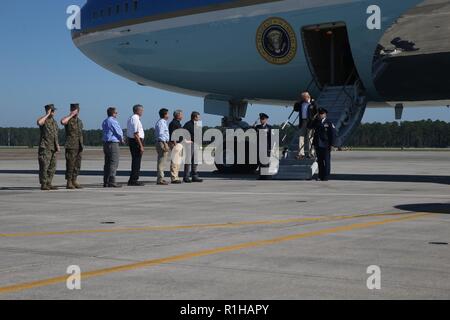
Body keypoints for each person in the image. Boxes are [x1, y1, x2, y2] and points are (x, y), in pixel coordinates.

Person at [37, 104, 60, 191]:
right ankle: (43, 184)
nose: (53, 112)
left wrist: (57, 145)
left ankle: (49, 183)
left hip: (53, 147)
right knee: (44, 166)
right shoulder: (44, 120)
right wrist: (47, 114)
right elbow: (39, 122)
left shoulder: (54, 122)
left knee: (52, 167)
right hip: (45, 147)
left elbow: (55, 135)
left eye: (54, 111)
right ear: (48, 110)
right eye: (52, 110)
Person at [61, 103, 84, 190]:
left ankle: (74, 180)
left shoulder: (80, 121)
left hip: (79, 145)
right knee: (70, 164)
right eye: (74, 110)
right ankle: (69, 182)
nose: (76, 112)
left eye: (77, 110)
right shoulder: (68, 120)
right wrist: (71, 115)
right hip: (71, 145)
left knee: (77, 165)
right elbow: (63, 122)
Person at [102, 107, 124, 188]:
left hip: (106, 143)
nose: (117, 114)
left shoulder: (105, 121)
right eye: (116, 112)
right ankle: (112, 180)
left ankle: (106, 181)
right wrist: (121, 138)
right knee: (114, 162)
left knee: (107, 162)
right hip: (113, 143)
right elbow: (118, 131)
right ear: (113, 113)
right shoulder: (113, 121)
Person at [313, 108, 337, 181]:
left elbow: (332, 134)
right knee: (320, 162)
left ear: (325, 114)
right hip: (318, 144)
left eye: (321, 114)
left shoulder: (329, 123)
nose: (320, 115)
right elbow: (309, 126)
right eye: (319, 114)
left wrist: (332, 144)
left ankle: (326, 176)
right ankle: (320, 176)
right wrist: (314, 118)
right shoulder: (316, 122)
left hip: (326, 145)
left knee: (326, 161)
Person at [127, 105, 145, 186]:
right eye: (141, 110)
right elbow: (136, 133)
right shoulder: (135, 118)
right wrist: (141, 145)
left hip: (134, 141)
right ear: (137, 110)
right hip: (136, 141)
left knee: (136, 161)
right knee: (136, 161)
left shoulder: (132, 118)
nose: (142, 112)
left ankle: (133, 179)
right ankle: (134, 180)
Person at [295, 92, 318, 159]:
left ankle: (311, 153)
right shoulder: (301, 103)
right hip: (302, 122)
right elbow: (296, 109)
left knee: (310, 138)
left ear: (307, 97)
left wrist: (313, 102)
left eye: (303, 97)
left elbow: (317, 110)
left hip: (310, 122)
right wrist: (298, 102)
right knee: (301, 137)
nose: (302, 98)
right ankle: (301, 153)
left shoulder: (312, 104)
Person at [183, 112, 203, 183]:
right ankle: (186, 177)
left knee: (195, 161)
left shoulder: (198, 124)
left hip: (197, 144)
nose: (199, 118)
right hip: (190, 144)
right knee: (188, 161)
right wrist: (186, 141)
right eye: (198, 117)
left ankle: (194, 176)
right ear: (194, 117)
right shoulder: (187, 124)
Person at [254, 113, 273, 180]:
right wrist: (254, 124)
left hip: (266, 147)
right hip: (259, 147)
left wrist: (270, 148)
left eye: (262, 119)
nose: (261, 120)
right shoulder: (257, 127)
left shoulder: (269, 127)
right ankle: (261, 176)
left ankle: (266, 176)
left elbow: (271, 138)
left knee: (266, 162)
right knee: (260, 162)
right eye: (260, 119)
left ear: (266, 119)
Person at [155, 108, 170, 185]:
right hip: (162, 142)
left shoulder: (163, 122)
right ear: (164, 115)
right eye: (167, 114)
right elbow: (161, 134)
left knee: (163, 162)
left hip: (162, 142)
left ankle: (161, 178)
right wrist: (165, 144)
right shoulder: (161, 122)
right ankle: (160, 179)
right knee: (161, 162)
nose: (168, 115)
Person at [168, 110, 184, 184]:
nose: (182, 116)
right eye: (181, 114)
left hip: (179, 143)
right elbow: (173, 134)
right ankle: (174, 178)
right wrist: (175, 144)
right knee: (175, 161)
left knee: (177, 161)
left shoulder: (177, 123)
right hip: (175, 144)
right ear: (177, 115)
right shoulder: (174, 123)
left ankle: (176, 176)